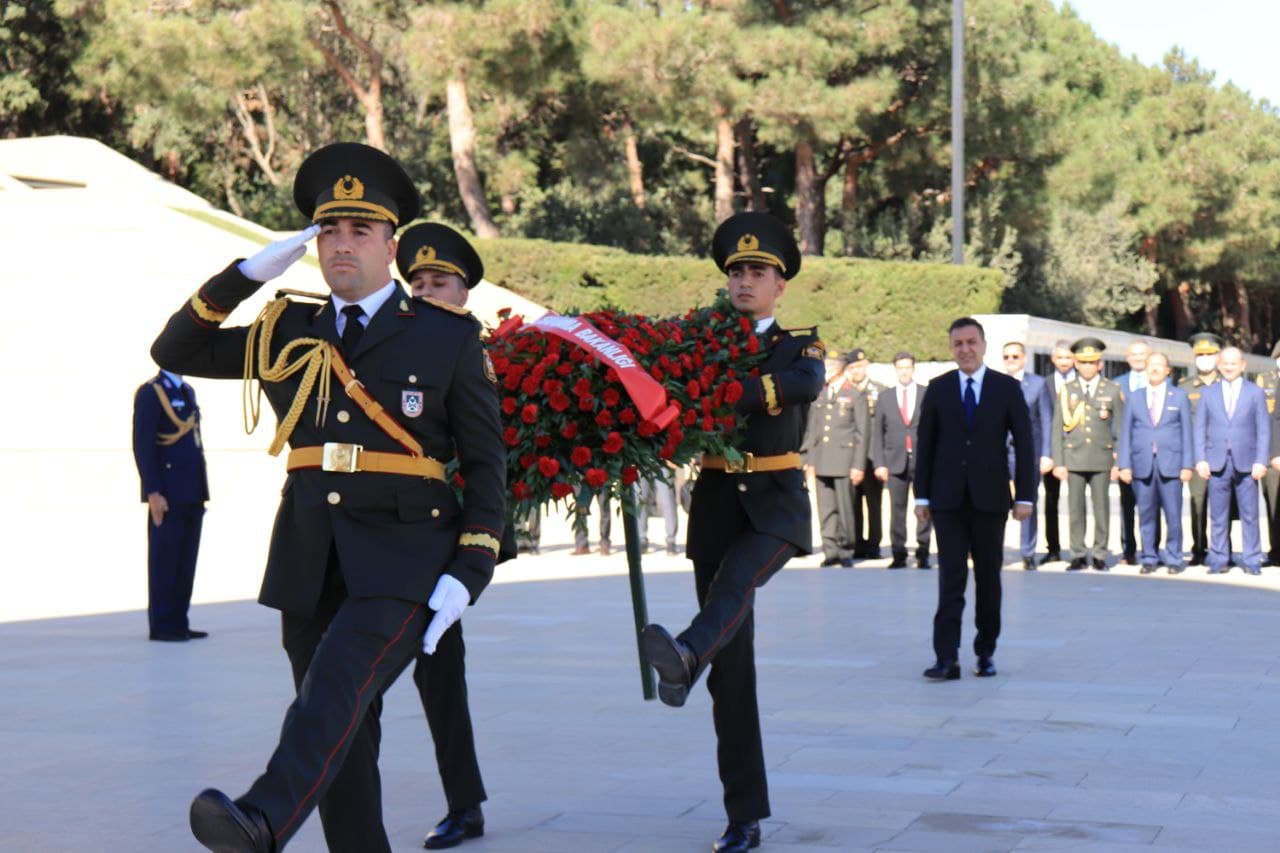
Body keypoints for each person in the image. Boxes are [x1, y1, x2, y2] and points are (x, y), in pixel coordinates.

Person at [156, 142, 506, 853]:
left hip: (405, 562)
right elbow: (175, 351)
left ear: (391, 244)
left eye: (359, 230)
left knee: (329, 691)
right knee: (342, 737)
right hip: (310, 558)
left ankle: (261, 818)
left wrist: (468, 573)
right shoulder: (289, 327)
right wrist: (246, 274)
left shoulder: (444, 337)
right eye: (328, 231)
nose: (341, 245)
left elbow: (486, 464)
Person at [639, 212, 823, 853]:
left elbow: (800, 386)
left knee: (737, 583)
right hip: (716, 504)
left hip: (774, 507)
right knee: (732, 671)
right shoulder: (701, 343)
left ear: (780, 286)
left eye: (758, 272)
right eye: (737, 272)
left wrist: (716, 386)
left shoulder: (800, 347)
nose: (746, 281)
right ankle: (742, 815)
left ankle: (685, 653)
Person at [395, 222, 491, 850]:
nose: (428, 291)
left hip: (441, 536)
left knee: (437, 669)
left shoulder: (471, 350)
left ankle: (464, 804)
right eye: (419, 282)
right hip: (373, 528)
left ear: (464, 292)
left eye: (441, 282)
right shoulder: (392, 341)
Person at [914, 318, 1034, 680]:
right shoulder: (938, 388)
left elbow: (1026, 445)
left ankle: (985, 653)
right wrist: (921, 496)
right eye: (958, 344)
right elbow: (926, 445)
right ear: (951, 348)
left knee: (988, 581)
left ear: (983, 345)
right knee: (950, 580)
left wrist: (1025, 495)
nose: (965, 350)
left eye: (971, 342)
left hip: (991, 499)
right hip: (947, 501)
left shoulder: (1006, 388)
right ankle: (946, 657)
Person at [132, 368, 210, 641]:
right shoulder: (152, 392)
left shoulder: (185, 391)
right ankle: (163, 624)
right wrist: (152, 490)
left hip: (192, 490)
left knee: (185, 560)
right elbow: (143, 444)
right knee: (165, 560)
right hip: (167, 492)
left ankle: (179, 620)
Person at [1194, 346, 1269, 575]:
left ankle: (1252, 559)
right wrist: (1200, 459)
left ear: (1242, 365)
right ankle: (1218, 558)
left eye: (1233, 363)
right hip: (1216, 461)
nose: (1228, 367)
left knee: (1249, 514)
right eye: (1225, 363)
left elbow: (1263, 429)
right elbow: (1199, 428)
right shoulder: (1208, 393)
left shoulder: (1255, 392)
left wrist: (1261, 460)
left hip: (1247, 461)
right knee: (1218, 515)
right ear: (1219, 365)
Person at [1116, 352, 1193, 574]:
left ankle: (1174, 557)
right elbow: (1126, 433)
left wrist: (1187, 464)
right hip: (1142, 464)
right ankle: (1149, 556)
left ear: (1168, 370)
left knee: (1173, 516)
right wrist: (1124, 464)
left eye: (1160, 365)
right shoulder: (1135, 397)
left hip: (1171, 464)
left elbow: (1187, 432)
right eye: (1151, 365)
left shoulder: (1179, 396)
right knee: (1146, 515)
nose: (1155, 369)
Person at [1051, 337, 1122, 571]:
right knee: (1075, 509)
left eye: (1092, 362)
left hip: (1102, 458)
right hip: (1074, 458)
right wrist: (1059, 461)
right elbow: (1057, 429)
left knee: (1102, 508)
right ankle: (1078, 553)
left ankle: (1100, 553)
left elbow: (1118, 428)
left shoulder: (1111, 390)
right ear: (1076, 364)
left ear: (1100, 364)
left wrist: (1118, 460)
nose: (1088, 367)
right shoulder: (1067, 390)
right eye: (1083, 362)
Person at [802, 350, 866, 567]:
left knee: (845, 508)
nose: (825, 372)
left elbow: (862, 433)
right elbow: (813, 430)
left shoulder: (855, 395)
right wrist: (809, 460)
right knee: (825, 508)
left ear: (840, 369)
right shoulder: (820, 393)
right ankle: (830, 550)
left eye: (829, 367)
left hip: (845, 461)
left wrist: (858, 465)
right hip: (821, 459)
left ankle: (846, 549)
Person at [872, 351, 931, 569]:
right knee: (897, 510)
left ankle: (923, 551)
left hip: (922, 460)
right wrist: (879, 463)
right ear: (895, 369)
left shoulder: (926, 393)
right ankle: (898, 552)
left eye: (907, 367)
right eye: (900, 367)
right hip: (894, 460)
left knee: (924, 506)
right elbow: (877, 432)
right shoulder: (885, 397)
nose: (904, 371)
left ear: (913, 368)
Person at [999, 342, 1054, 571]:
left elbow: (1047, 420)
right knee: (997, 503)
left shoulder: (1038, 384)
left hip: (1028, 453)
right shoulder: (996, 383)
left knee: (1027, 502)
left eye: (1015, 356)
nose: (1011, 360)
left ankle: (1028, 552)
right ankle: (994, 549)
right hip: (1001, 453)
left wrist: (1047, 454)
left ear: (1023, 358)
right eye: (1007, 357)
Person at [1178, 333, 1222, 565]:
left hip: (1224, 454)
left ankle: (1222, 550)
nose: (1205, 359)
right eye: (1200, 355)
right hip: (1197, 455)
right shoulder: (1184, 387)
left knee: (1223, 505)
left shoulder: (1227, 383)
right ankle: (1199, 549)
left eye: (1209, 354)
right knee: (1198, 502)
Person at [1113, 340, 1152, 565]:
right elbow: (1113, 424)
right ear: (1127, 357)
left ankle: (1151, 549)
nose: (1138, 358)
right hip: (1126, 453)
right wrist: (1117, 453)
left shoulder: (1161, 382)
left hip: (1152, 453)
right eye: (1134, 354)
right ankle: (1128, 550)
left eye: (1142, 354)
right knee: (1127, 505)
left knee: (1151, 505)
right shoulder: (1116, 385)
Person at [846, 348, 886, 558]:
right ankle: (857, 543)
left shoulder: (880, 391)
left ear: (867, 366)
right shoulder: (846, 393)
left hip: (872, 456)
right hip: (851, 457)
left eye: (860, 366)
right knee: (853, 503)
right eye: (852, 367)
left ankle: (873, 544)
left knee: (873, 503)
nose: (856, 371)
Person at [1041, 340, 1077, 564]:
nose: (1064, 362)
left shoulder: (1083, 384)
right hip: (1052, 450)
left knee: (1077, 502)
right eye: (1060, 357)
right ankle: (1053, 548)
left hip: (1078, 450)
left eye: (1068, 357)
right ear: (1053, 359)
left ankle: (1078, 550)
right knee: (1050, 501)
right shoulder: (1043, 384)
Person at [1255, 340, 1280, 565]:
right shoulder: (1266, 380)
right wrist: (1272, 453)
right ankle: (1276, 551)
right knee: (1273, 502)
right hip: (1274, 453)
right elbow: (1266, 419)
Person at [638, 469, 681, 555]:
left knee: (668, 499)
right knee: (640, 499)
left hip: (663, 461)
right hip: (640, 461)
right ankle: (641, 539)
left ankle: (671, 541)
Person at [572, 489, 612, 555]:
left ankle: (604, 543)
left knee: (604, 508)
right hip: (583, 481)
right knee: (581, 509)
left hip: (602, 481)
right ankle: (582, 544)